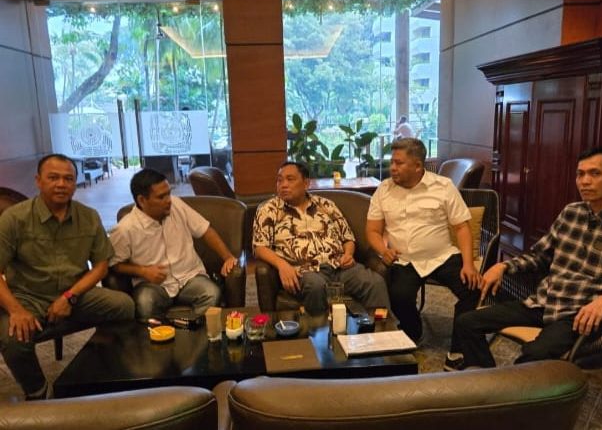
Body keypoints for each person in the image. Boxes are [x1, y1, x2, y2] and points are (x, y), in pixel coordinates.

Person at [455, 147, 602, 369]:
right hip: (543, 302)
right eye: (580, 174)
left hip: (578, 314)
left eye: (595, 173)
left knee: (532, 357)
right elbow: (540, 257)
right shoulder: (571, 213)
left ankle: (516, 388)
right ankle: (490, 381)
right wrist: (504, 266)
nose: (585, 181)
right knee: (467, 323)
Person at [0, 154, 134, 400]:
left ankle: (105, 370)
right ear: (38, 181)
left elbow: (101, 266)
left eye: (68, 179)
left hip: (76, 294)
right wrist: (16, 310)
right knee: (13, 339)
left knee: (124, 306)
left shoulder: (88, 216)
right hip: (29, 297)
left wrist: (70, 297)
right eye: (53, 178)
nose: (61, 184)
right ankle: (38, 391)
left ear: (75, 183)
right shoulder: (14, 218)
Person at [366, 138, 481, 370]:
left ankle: (458, 348)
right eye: (392, 162)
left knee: (471, 288)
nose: (392, 168)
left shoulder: (443, 186)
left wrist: (468, 264)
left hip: (442, 256)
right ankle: (413, 331)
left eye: (399, 163)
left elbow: (462, 228)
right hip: (404, 260)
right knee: (398, 296)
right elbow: (372, 230)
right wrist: (383, 250)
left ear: (418, 165)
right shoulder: (384, 190)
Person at [253, 161, 390, 316]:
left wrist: (348, 254)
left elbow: (347, 237)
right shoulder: (268, 210)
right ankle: (319, 330)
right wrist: (282, 266)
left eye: (290, 179)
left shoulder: (326, 205)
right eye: (279, 180)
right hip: (303, 272)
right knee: (316, 286)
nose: (283, 184)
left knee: (374, 282)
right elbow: (260, 247)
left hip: (339, 267)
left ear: (306, 183)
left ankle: (381, 329)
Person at [109, 168, 238, 322]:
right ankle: (158, 335)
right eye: (161, 197)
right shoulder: (125, 229)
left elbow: (205, 230)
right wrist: (143, 271)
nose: (168, 200)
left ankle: (196, 332)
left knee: (212, 293)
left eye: (169, 193)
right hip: (153, 285)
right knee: (145, 302)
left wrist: (228, 257)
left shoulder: (176, 205)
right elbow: (115, 264)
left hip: (189, 277)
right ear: (142, 200)